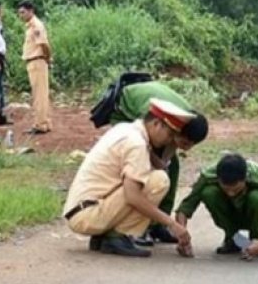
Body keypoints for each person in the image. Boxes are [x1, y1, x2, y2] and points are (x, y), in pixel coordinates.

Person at [63, 99, 196, 257]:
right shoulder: (136, 144)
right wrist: (171, 224)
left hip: (81, 210)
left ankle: (105, 235)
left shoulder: (126, 129)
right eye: (169, 134)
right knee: (159, 181)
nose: (170, 140)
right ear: (156, 124)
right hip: (87, 214)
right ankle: (118, 235)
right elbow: (132, 196)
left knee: (151, 178)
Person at [109, 81, 209, 246]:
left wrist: (164, 163)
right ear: (177, 131)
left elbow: (168, 156)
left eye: (191, 145)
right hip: (125, 111)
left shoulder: (186, 120)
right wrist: (159, 164)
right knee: (144, 167)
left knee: (172, 166)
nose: (187, 148)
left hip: (155, 114)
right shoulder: (156, 118)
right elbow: (145, 145)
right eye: (184, 143)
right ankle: (139, 227)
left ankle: (158, 223)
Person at [175, 153, 258, 260]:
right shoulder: (208, 176)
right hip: (228, 216)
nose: (231, 194)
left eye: (236, 189)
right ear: (218, 179)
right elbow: (185, 207)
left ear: (245, 178)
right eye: (226, 189)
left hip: (257, 215)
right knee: (209, 193)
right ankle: (233, 239)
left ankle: (256, 239)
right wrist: (182, 237)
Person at [16, 0, 52, 135]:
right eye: (19, 13)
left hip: (37, 60)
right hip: (33, 61)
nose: (21, 15)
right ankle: (45, 121)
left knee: (39, 94)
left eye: (23, 12)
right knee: (40, 93)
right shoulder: (30, 26)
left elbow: (44, 44)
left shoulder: (36, 25)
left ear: (31, 11)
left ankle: (40, 124)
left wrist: (48, 57)